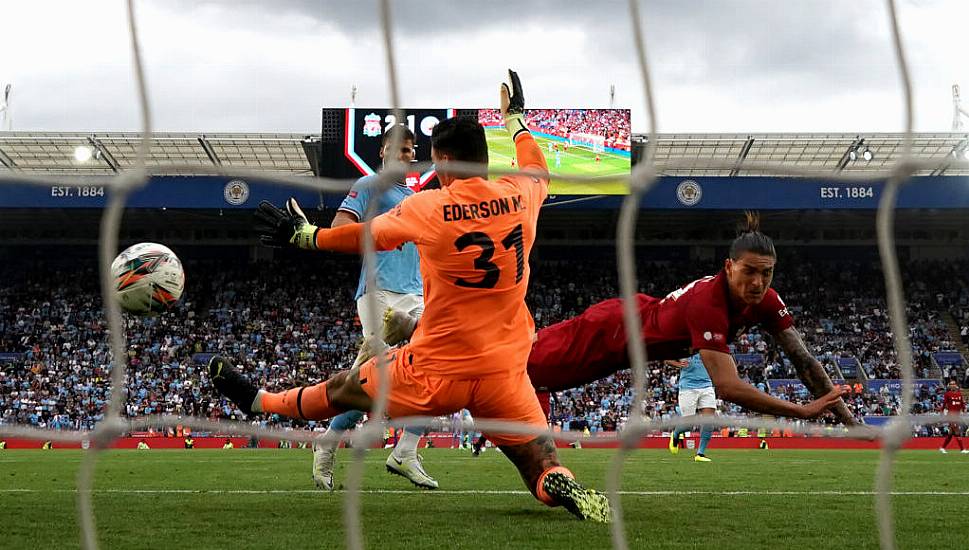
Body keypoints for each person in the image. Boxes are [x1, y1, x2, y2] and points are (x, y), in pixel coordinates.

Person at [214, 70, 610, 522]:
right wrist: (514, 119)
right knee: (538, 460)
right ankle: (556, 478)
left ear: (441, 162)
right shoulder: (522, 193)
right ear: (483, 159)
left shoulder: (428, 206)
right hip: (504, 370)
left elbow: (363, 236)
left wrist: (305, 236)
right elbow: (536, 164)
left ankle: (258, 402)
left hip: (435, 367)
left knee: (345, 388)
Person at [383, 212, 851, 423]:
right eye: (749, 272)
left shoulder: (766, 300)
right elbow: (727, 387)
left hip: (630, 324)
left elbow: (804, 361)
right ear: (728, 267)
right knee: (512, 366)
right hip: (610, 336)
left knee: (513, 359)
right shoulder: (709, 300)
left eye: (766, 274)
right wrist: (801, 411)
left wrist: (847, 418)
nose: (758, 283)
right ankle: (420, 328)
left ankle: (422, 331)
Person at [312, 124, 438, 492]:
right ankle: (330, 439)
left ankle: (406, 451)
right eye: (399, 148)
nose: (406, 154)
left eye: (411, 149)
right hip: (378, 290)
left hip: (415, 295)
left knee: (434, 370)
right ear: (383, 152)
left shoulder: (418, 198)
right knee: (374, 378)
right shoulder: (370, 187)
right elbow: (339, 227)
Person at [668, 354, 717, 462]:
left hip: (707, 386)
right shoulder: (684, 345)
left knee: (709, 422)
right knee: (689, 425)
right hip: (687, 387)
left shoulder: (706, 346)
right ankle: (676, 433)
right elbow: (666, 359)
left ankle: (700, 454)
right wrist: (678, 364)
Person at [940, 380, 966, 454]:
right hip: (951, 415)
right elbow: (944, 404)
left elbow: (962, 403)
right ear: (949, 386)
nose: (952, 385)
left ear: (955, 385)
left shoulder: (959, 394)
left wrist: (964, 410)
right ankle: (962, 449)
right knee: (957, 431)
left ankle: (942, 448)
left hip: (957, 415)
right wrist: (941, 412)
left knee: (951, 433)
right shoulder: (947, 394)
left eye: (953, 384)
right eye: (951, 384)